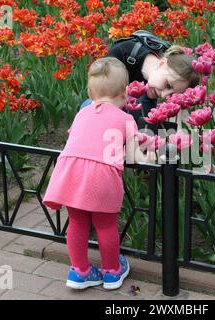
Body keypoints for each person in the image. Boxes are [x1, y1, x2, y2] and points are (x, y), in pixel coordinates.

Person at [43, 57, 153, 290]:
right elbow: (134, 157)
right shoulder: (125, 119)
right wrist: (150, 156)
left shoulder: (81, 114)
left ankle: (80, 272)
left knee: (77, 222)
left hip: (71, 173)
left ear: (90, 94)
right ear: (124, 93)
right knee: (105, 225)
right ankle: (112, 271)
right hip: (101, 176)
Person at [79, 36, 201, 131]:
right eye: (168, 84)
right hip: (100, 111)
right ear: (162, 63)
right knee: (88, 106)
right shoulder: (123, 53)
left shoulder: (152, 93)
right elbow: (96, 95)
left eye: (172, 94)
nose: (164, 95)